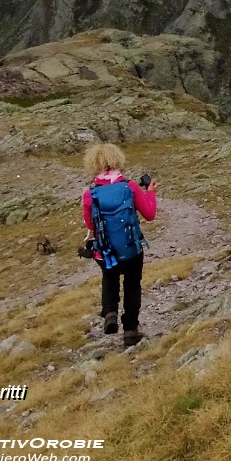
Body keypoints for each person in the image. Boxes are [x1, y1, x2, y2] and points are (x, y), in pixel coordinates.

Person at [81, 142, 157, 348]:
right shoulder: (129, 186)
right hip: (131, 248)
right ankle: (130, 331)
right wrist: (150, 192)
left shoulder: (90, 195)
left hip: (106, 252)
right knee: (132, 285)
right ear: (117, 160)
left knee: (109, 279)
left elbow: (91, 225)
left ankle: (110, 312)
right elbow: (149, 214)